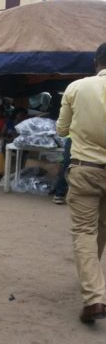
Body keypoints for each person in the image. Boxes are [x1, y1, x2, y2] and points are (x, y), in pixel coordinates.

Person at [56, 42, 106, 324]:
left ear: (96, 62)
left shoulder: (77, 87)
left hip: (85, 169)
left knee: (85, 231)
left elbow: (62, 129)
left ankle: (94, 295)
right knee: (102, 228)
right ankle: (92, 284)